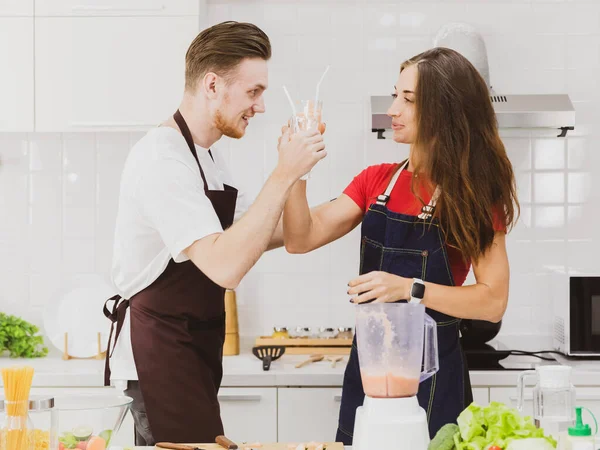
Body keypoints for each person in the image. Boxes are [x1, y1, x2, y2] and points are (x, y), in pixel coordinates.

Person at [103, 21, 326, 445]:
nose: (260, 107)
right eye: (253, 92)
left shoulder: (206, 155)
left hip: (192, 351)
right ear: (212, 85)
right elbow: (226, 264)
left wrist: (349, 197)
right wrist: (284, 172)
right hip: (159, 356)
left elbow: (268, 231)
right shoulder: (162, 158)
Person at [281, 47, 519, 444]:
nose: (392, 108)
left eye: (407, 100)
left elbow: (493, 300)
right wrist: (295, 171)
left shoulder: (474, 195)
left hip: (435, 378)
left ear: (445, 110)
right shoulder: (376, 182)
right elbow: (299, 239)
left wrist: (409, 289)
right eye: (395, 95)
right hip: (369, 375)